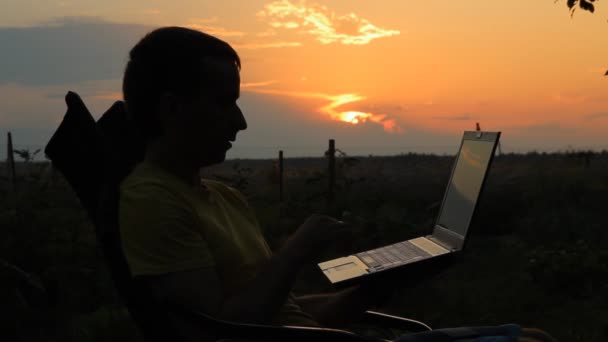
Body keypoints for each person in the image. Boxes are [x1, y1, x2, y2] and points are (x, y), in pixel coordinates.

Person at [118, 27, 555, 342]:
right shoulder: (153, 202)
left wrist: (380, 285)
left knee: (534, 335)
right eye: (224, 103)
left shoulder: (222, 197)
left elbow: (281, 315)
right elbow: (221, 332)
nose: (241, 121)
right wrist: (296, 249)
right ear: (172, 109)